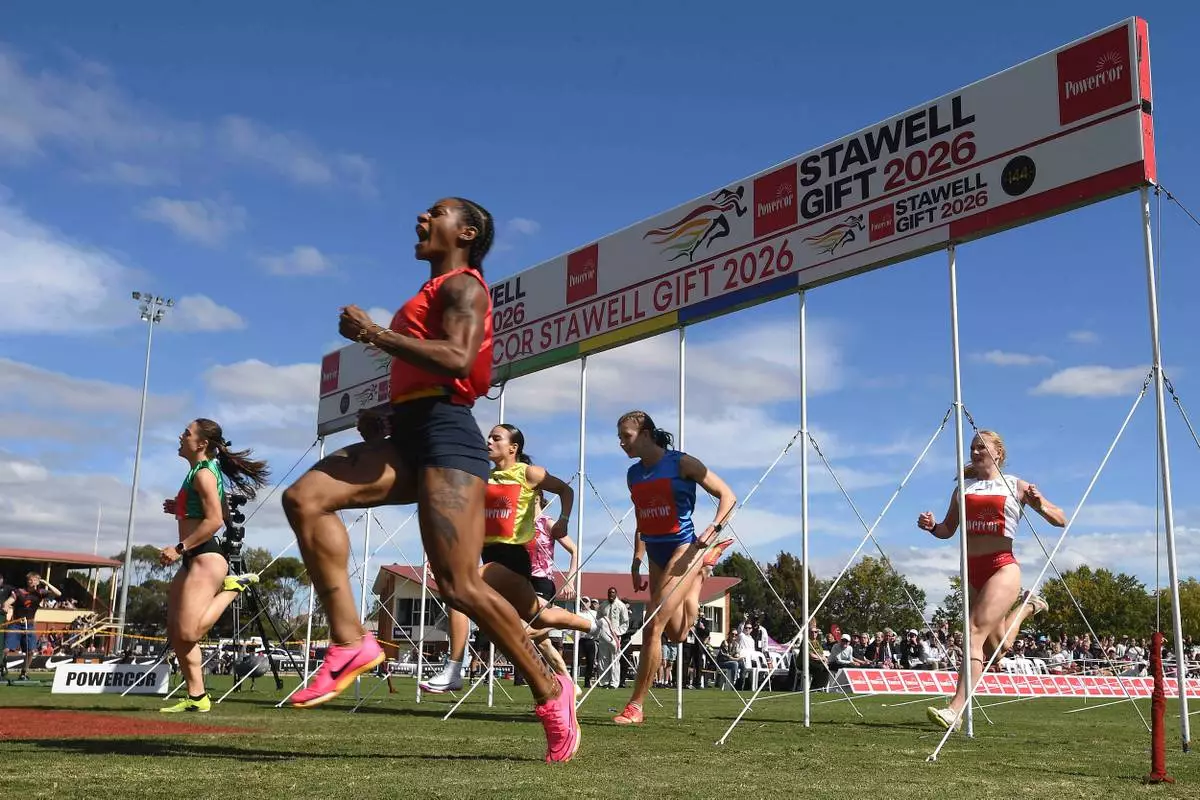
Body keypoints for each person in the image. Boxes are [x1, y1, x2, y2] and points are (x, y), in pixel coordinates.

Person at [280, 197, 580, 763]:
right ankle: (349, 642)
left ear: (465, 232)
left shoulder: (465, 287)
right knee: (305, 498)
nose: (421, 218)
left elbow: (461, 360)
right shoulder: (426, 293)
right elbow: (423, 371)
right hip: (413, 430)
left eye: (435, 212)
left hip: (448, 435)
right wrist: (388, 416)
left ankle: (550, 692)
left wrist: (373, 334)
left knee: (459, 584)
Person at [420, 424, 599, 695]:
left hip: (513, 558)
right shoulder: (483, 479)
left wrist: (563, 520)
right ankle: (594, 625)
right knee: (540, 619)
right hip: (489, 555)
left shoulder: (528, 473)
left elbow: (566, 490)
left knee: (457, 591)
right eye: (488, 437)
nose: (488, 441)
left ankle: (454, 668)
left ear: (513, 448)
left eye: (496, 438)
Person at [917, 429, 1064, 730]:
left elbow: (1060, 519)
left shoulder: (1015, 485)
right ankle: (1028, 607)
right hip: (973, 571)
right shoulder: (964, 489)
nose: (974, 452)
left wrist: (1040, 503)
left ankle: (954, 710)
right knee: (996, 646)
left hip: (1002, 567)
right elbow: (948, 529)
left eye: (981, 447)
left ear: (998, 452)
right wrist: (932, 527)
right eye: (971, 447)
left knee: (972, 633)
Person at [612, 410, 736, 725]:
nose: (621, 444)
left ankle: (636, 705)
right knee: (678, 633)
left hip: (685, 547)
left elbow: (728, 496)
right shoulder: (633, 475)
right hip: (655, 551)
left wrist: (713, 530)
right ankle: (696, 587)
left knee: (653, 622)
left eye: (625, 436)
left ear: (645, 434)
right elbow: (642, 516)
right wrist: (637, 557)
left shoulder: (681, 463)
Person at [158, 419, 269, 712]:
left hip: (205, 558)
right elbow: (217, 510)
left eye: (187, 433)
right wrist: (180, 507)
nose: (181, 436)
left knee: (189, 633)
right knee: (176, 632)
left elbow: (215, 521)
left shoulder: (205, 474)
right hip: (194, 559)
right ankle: (197, 697)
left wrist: (179, 547)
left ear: (202, 443)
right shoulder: (200, 471)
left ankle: (233, 588)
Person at [2, 572, 61, 680]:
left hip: (29, 625)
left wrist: (46, 582)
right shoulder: (19, 592)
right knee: (6, 649)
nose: (31, 582)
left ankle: (23, 673)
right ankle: (2, 666)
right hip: (15, 623)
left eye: (34, 580)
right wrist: (6, 606)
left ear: (38, 581)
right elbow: (8, 602)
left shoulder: (41, 592)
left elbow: (58, 594)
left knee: (30, 652)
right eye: (29, 580)